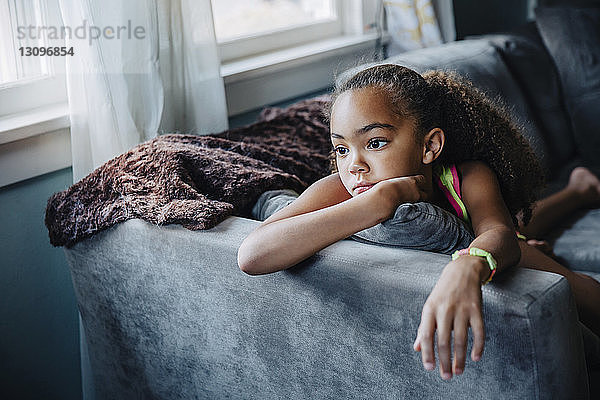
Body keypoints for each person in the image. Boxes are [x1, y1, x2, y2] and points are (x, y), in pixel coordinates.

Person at [237, 64, 600, 381]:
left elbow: (498, 233)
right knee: (528, 236)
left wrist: (468, 267)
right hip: (485, 234)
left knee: (546, 257)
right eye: (342, 149)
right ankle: (579, 190)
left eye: (375, 142)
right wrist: (378, 203)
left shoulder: (469, 175)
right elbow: (252, 254)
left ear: (430, 146)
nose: (354, 166)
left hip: (488, 238)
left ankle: (579, 190)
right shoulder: (339, 188)